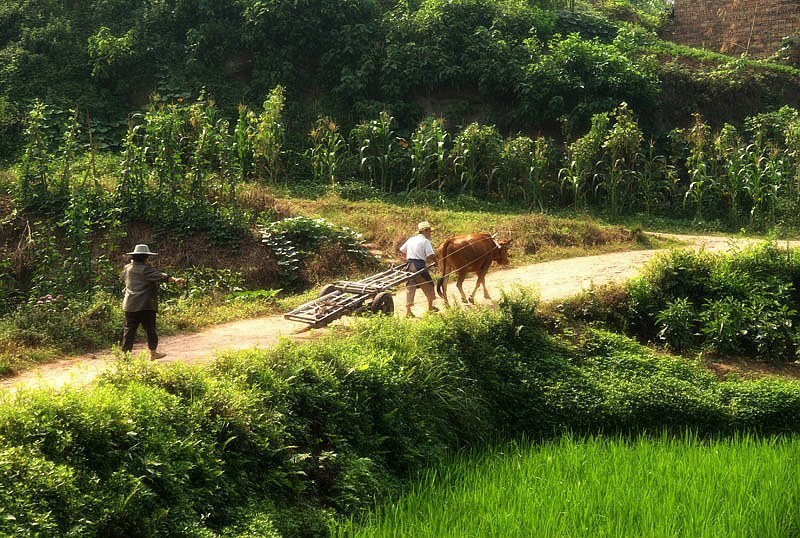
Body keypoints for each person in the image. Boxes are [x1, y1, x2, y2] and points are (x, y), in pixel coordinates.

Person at [120, 244, 185, 360]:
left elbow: (124, 279)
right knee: (150, 330)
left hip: (129, 304)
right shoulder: (146, 269)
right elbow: (161, 276)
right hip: (145, 305)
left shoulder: (127, 268)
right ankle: (153, 353)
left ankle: (125, 356)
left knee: (128, 331)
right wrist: (175, 279)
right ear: (145, 257)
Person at [398, 221, 439, 318]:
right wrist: (436, 262)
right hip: (419, 266)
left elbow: (402, 250)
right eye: (429, 231)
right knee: (429, 284)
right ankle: (430, 307)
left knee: (410, 286)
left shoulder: (411, 239)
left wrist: (408, 257)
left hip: (408, 266)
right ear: (425, 231)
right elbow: (430, 255)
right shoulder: (425, 241)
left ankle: (408, 311)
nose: (430, 233)